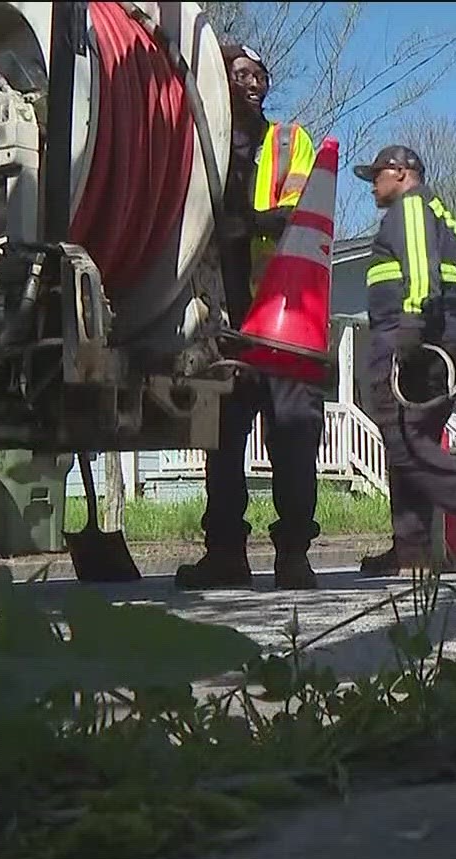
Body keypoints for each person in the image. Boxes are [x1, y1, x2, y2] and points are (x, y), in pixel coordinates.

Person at [175, 42, 325, 591]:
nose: (251, 82)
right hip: (222, 323)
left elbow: (309, 213)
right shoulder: (198, 143)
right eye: (239, 73)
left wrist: (253, 223)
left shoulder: (290, 142)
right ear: (220, 79)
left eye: (259, 74)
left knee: (293, 436)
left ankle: (292, 556)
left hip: (286, 319)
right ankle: (225, 555)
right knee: (222, 441)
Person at [351, 144, 456, 576]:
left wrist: (412, 324)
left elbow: (420, 269)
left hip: (412, 340)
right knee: (407, 443)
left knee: (408, 446)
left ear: (402, 173)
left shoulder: (412, 206)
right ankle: (413, 551)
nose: (372, 187)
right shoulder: (447, 221)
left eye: (377, 176)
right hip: (441, 340)